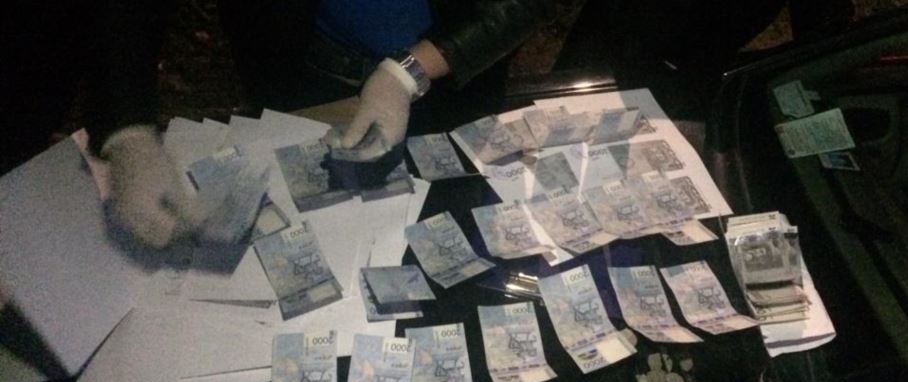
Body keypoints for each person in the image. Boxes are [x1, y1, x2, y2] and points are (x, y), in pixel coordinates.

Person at [85, 0, 556, 248]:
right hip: (300, 64)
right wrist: (126, 129)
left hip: (452, 78)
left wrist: (408, 72)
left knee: (448, 226)